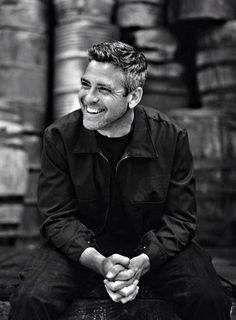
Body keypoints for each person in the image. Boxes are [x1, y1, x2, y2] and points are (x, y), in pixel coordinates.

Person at [9, 41, 231, 320]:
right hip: (81, 250)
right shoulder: (59, 137)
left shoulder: (170, 138)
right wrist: (100, 263)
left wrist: (144, 261)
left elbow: (181, 219)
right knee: (31, 299)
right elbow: (57, 218)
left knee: (208, 298)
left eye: (103, 89)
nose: (88, 98)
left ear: (134, 97)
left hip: (156, 251)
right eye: (85, 84)